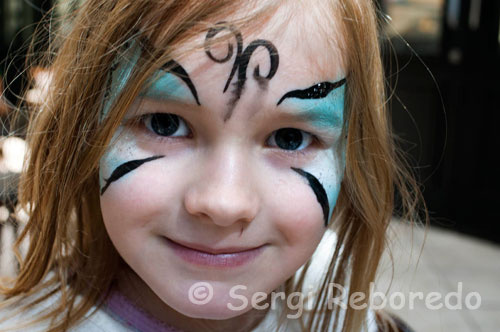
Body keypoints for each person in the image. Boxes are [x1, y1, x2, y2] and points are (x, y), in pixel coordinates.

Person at [0, 0, 422, 331]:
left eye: (289, 138)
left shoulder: (340, 307)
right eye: (165, 124)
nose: (223, 203)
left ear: (352, 154)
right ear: (83, 130)